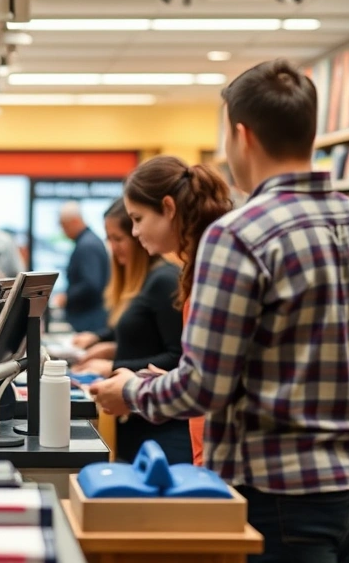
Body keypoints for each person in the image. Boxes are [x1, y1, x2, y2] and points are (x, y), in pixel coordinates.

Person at [90, 59, 349, 563]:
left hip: (278, 493)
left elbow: (203, 386)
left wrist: (131, 391)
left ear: (241, 134)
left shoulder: (238, 238)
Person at [121, 155, 234, 466]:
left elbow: (214, 384)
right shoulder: (195, 269)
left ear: (168, 208)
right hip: (206, 447)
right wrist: (172, 378)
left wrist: (133, 391)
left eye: (138, 218)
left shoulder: (211, 273)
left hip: (220, 453)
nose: (133, 232)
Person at [71, 200, 188, 464]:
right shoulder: (144, 281)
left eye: (119, 238)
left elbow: (177, 358)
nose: (113, 248)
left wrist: (113, 365)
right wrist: (105, 343)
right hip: (137, 425)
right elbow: (142, 337)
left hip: (161, 432)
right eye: (109, 239)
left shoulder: (164, 280)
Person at [57, 200, 110, 334]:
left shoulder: (87, 246)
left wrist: (67, 297)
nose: (63, 231)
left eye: (64, 226)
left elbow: (91, 284)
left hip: (89, 319)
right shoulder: (88, 241)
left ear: (75, 221)